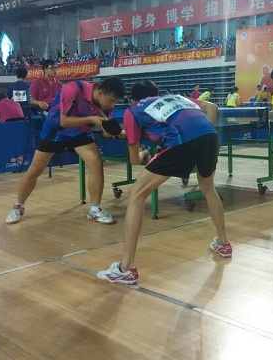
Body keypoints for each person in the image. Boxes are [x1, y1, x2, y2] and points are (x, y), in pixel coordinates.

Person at [97, 81, 231, 284]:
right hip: (209, 136)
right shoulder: (177, 98)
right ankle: (223, 243)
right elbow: (211, 107)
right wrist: (202, 135)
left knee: (136, 194)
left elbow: (134, 160)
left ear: (133, 99)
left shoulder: (133, 110)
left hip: (181, 142)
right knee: (207, 187)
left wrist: (142, 152)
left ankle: (126, 268)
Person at [5, 76, 126, 225]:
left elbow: (105, 131)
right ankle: (18, 206)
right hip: (56, 131)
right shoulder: (73, 89)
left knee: (96, 163)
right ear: (100, 93)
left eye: (115, 101)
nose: (112, 105)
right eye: (111, 100)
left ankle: (94, 210)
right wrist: (91, 119)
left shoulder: (106, 105)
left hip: (80, 133)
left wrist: (118, 132)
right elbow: (64, 121)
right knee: (35, 170)